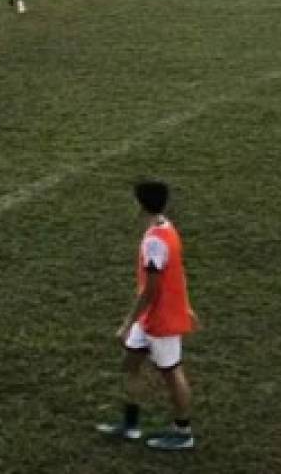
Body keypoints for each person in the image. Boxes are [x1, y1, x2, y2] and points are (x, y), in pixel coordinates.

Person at [97, 180, 198, 451]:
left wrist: (127, 321)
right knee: (130, 364)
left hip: (160, 319)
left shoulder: (155, 241)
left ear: (140, 205)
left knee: (171, 373)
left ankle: (183, 431)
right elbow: (175, 273)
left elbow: (151, 289)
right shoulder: (166, 230)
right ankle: (131, 425)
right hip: (151, 318)